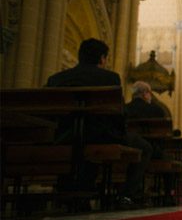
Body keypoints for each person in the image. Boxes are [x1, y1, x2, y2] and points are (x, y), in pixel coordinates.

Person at [46, 38, 152, 206]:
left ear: (80, 56)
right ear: (102, 58)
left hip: (63, 137)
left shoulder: (56, 79)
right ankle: (126, 195)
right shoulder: (109, 78)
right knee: (144, 148)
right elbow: (118, 112)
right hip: (100, 135)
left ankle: (70, 189)